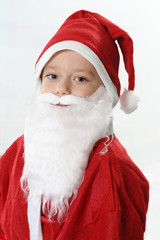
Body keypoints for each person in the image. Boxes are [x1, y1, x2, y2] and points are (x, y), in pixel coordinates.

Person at [0, 10, 149, 240]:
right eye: (52, 76)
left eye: (80, 79)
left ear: (104, 93)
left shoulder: (115, 173)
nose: (61, 89)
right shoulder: (20, 150)